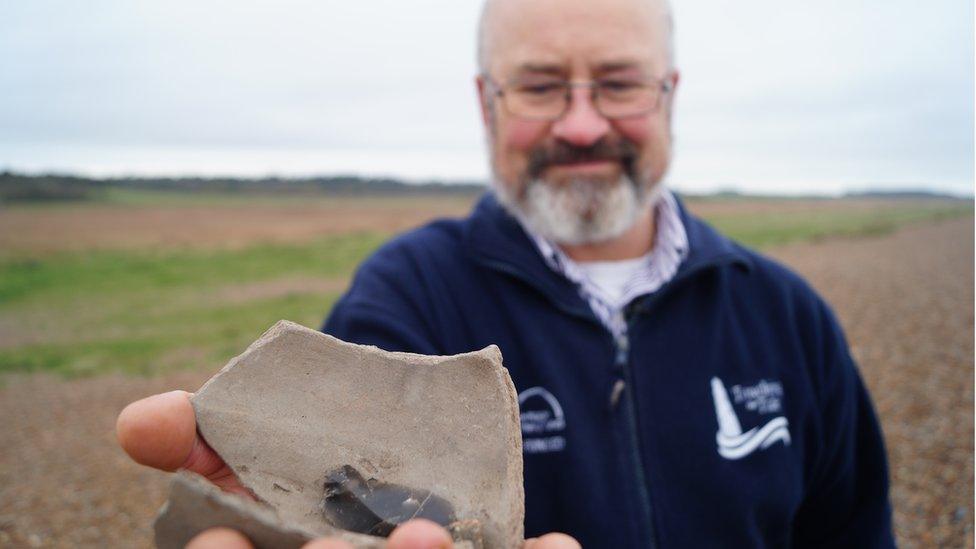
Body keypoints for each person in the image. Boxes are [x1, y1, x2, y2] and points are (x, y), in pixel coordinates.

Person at [117, 0, 895, 546]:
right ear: (486, 102)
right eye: (540, 84)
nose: (583, 123)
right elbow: (350, 506)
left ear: (670, 96)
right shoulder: (406, 294)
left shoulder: (788, 315)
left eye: (619, 82)